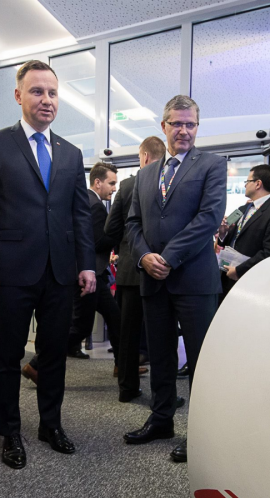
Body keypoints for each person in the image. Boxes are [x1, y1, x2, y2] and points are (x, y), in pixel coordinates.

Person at [0, 60, 95, 470]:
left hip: (59, 271)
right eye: (37, 91)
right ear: (19, 95)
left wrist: (86, 264)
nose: (46, 99)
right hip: (11, 270)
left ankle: (50, 424)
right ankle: (10, 432)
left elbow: (79, 215)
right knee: (7, 355)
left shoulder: (71, 152)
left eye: (53, 93)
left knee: (54, 352)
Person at [123, 95, 226, 463]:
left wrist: (167, 258)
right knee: (161, 355)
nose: (184, 130)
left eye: (190, 124)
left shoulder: (212, 165)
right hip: (153, 279)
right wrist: (144, 256)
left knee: (200, 359)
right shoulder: (145, 174)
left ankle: (202, 432)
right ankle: (161, 418)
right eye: (177, 123)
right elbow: (132, 223)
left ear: (197, 127)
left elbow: (208, 218)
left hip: (194, 280)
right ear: (163, 126)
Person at [106, 137, 165, 403]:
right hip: (162, 269)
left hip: (131, 269)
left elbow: (111, 228)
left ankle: (127, 389)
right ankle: (163, 395)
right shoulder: (171, 183)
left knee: (128, 333)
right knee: (161, 333)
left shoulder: (128, 185)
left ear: (144, 156)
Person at [66, 162, 121, 366]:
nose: (114, 189)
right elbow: (97, 242)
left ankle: (122, 366)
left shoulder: (85, 200)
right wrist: (119, 233)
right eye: (111, 183)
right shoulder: (95, 206)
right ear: (98, 182)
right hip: (90, 274)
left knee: (114, 317)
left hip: (94, 274)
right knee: (81, 326)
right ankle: (39, 362)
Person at [216, 164, 270, 298]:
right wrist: (223, 234)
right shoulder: (242, 209)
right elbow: (231, 241)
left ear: (258, 184)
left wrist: (239, 270)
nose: (245, 185)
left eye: (247, 181)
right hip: (227, 277)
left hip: (251, 281)